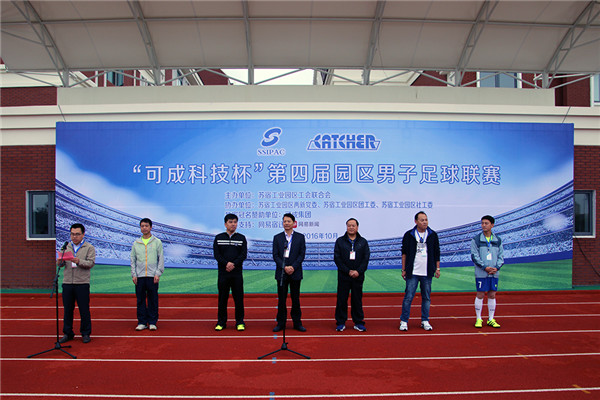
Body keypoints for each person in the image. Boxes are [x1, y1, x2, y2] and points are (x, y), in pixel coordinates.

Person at [399, 211, 441, 331]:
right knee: (408, 297)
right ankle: (404, 321)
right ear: (416, 221)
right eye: (422, 220)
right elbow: (404, 253)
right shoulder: (409, 235)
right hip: (412, 272)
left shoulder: (432, 235)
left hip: (427, 272)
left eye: (426, 220)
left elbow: (437, 252)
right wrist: (403, 269)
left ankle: (425, 320)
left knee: (426, 298)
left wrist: (437, 268)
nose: (425, 222)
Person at [58, 223, 96, 344]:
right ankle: (68, 333)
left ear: (83, 234)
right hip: (67, 282)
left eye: (77, 234)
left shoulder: (89, 247)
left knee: (84, 309)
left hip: (82, 282)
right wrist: (59, 261)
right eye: (72, 234)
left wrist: (79, 261)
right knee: (68, 310)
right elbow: (61, 265)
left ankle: (85, 333)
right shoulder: (66, 247)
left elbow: (90, 263)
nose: (74, 237)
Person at [272, 213, 307, 332]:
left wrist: (293, 267)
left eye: (288, 221)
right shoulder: (277, 237)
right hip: (282, 273)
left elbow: (301, 254)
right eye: (284, 221)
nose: (286, 223)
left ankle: (297, 323)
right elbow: (275, 255)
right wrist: (284, 267)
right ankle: (281, 323)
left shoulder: (300, 237)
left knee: (295, 299)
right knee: (282, 300)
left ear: (294, 223)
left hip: (295, 272)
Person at [213, 213, 248, 331]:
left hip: (236, 273)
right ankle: (221, 322)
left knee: (238, 299)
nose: (233, 224)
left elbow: (243, 255)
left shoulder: (241, 238)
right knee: (222, 299)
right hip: (223, 273)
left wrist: (233, 264)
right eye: (230, 222)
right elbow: (217, 255)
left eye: (235, 222)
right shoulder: (218, 237)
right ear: (225, 224)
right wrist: (226, 264)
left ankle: (240, 322)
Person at [334, 218, 370, 332]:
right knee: (341, 299)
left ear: (357, 227)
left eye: (353, 225)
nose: (351, 227)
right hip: (344, 275)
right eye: (349, 225)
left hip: (358, 276)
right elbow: (337, 258)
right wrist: (348, 271)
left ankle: (358, 322)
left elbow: (366, 259)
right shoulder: (340, 241)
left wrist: (358, 271)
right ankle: (340, 322)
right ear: (346, 227)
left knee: (357, 299)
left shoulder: (363, 242)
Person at [130, 218, 164, 331]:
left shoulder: (157, 242)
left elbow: (161, 259)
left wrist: (158, 273)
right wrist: (134, 274)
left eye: (146, 226)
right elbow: (132, 260)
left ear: (151, 227)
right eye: (142, 226)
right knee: (140, 300)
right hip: (139, 276)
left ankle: (152, 321)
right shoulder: (136, 243)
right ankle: (142, 322)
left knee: (152, 299)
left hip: (152, 275)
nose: (144, 228)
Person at [471, 215, 504, 329]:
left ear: (492, 225)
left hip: (494, 272)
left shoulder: (497, 240)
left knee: (492, 294)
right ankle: (478, 318)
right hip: (481, 272)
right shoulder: (476, 240)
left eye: (486, 223)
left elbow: (501, 256)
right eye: (482, 223)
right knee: (480, 294)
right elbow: (474, 256)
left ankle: (491, 319)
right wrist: (484, 267)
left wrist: (496, 267)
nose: (483, 225)